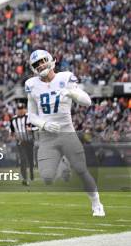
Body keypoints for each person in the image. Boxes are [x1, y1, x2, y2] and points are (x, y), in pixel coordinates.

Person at [25, 49, 105, 216]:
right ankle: (63, 162)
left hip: (67, 132)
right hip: (47, 136)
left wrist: (71, 92)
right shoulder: (31, 84)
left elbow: (87, 101)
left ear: (51, 60)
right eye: (36, 64)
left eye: (42, 61)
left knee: (82, 171)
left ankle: (96, 203)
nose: (40, 65)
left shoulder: (65, 77)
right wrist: (44, 123)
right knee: (47, 177)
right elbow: (31, 115)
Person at [10, 103, 36, 186]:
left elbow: (37, 127)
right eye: (19, 109)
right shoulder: (13, 119)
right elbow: (12, 131)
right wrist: (14, 136)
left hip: (29, 141)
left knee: (31, 160)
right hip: (21, 142)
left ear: (25, 109)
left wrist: (31, 129)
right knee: (23, 159)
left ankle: (31, 172)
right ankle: (24, 178)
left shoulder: (30, 117)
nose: (20, 111)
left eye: (22, 109)